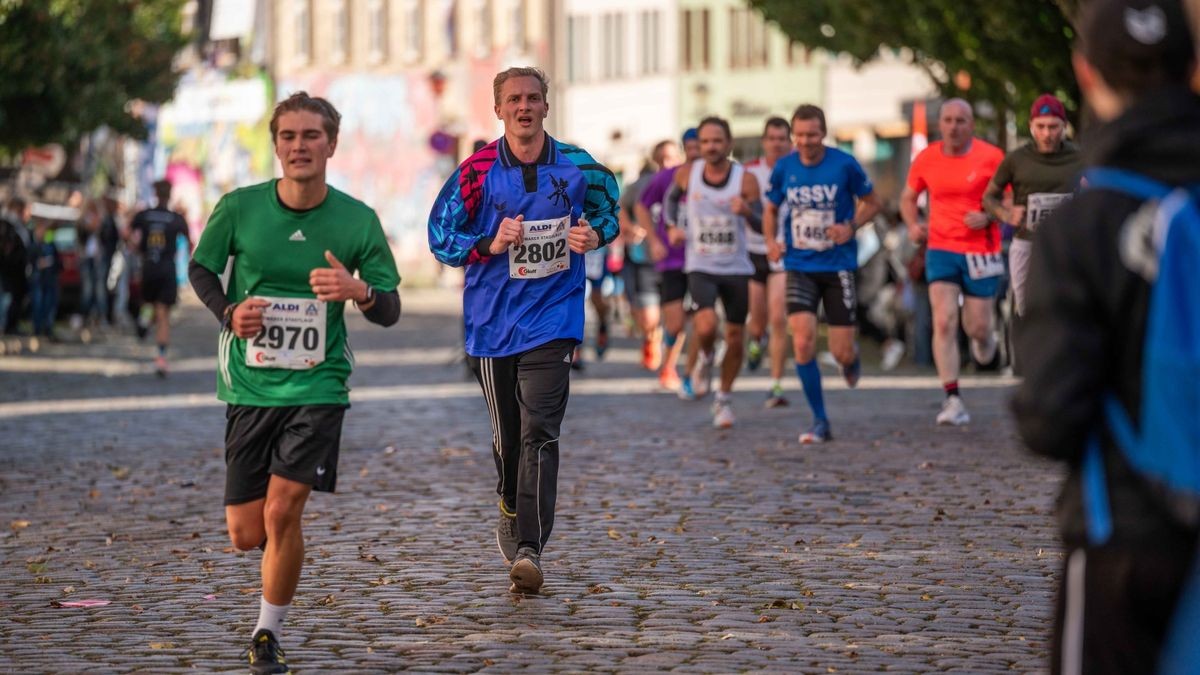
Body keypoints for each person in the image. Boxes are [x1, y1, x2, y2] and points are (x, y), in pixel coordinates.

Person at [1011, 0, 1200, 671]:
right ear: (1192, 70)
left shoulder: (1084, 224)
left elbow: (1050, 419)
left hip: (1123, 526)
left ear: (1085, 73)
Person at [189, 92, 402, 674]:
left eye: (311, 136)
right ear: (276, 144)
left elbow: (389, 308)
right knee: (244, 532)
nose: (299, 146)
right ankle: (276, 561)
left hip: (319, 386)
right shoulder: (239, 208)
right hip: (250, 386)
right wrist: (230, 312)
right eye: (288, 136)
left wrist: (358, 291)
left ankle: (266, 634)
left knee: (283, 514)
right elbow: (201, 269)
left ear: (331, 144)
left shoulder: (356, 220)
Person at [427, 67, 618, 594]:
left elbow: (610, 207)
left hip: (555, 316)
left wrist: (593, 233)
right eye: (514, 99)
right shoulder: (476, 170)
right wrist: (489, 241)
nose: (524, 107)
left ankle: (532, 549)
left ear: (546, 106)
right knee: (508, 436)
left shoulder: (579, 166)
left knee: (541, 430)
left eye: (533, 98)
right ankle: (509, 499)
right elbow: (441, 236)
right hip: (492, 323)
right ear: (499, 109)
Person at [763, 104, 882, 443]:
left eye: (811, 134)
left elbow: (873, 202)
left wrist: (852, 225)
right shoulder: (785, 167)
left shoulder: (844, 164)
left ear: (823, 133)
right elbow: (771, 208)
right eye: (798, 135)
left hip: (838, 266)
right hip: (799, 265)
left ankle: (851, 357)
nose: (805, 141)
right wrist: (772, 241)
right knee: (802, 342)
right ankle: (819, 420)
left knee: (841, 351)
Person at [900, 99, 1005, 426]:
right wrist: (913, 224)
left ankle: (987, 342)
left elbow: (1011, 200)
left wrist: (989, 215)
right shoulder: (927, 158)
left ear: (971, 124)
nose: (954, 126)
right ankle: (952, 398)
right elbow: (907, 197)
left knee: (978, 327)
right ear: (939, 124)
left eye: (961, 120)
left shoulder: (992, 157)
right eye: (947, 120)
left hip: (982, 250)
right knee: (943, 320)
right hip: (941, 247)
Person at [663, 116, 760, 429]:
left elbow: (762, 221)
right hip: (701, 264)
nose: (711, 147)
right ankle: (704, 358)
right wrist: (673, 226)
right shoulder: (687, 174)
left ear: (728, 144)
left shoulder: (744, 179)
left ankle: (724, 400)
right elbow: (670, 201)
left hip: (736, 267)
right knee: (705, 326)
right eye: (705, 142)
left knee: (734, 337)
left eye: (717, 141)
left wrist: (747, 211)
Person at [982, 94, 1084, 320]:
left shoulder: (1080, 157)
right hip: (1026, 244)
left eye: (1053, 127)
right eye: (1041, 127)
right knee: (1027, 313)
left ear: (1064, 126)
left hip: (1066, 244)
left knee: (1066, 311)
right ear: (1031, 127)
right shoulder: (1016, 159)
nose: (1047, 134)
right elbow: (988, 198)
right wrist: (1006, 213)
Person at [639, 128, 699, 392]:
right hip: (673, 259)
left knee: (702, 321)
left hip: (704, 261)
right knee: (675, 322)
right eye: (693, 146)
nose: (698, 151)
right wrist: (653, 239)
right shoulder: (668, 177)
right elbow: (642, 206)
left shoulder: (717, 176)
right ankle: (669, 365)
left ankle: (689, 372)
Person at [744, 117, 794, 408]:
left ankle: (775, 385)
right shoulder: (750, 171)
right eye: (772, 138)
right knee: (758, 318)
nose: (777, 143)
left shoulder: (797, 170)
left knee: (778, 319)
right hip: (752, 252)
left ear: (789, 142)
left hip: (784, 253)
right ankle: (755, 342)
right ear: (764, 141)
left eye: (782, 138)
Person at [619, 141, 678, 371]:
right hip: (645, 258)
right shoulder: (641, 185)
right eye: (662, 158)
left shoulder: (685, 182)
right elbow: (621, 206)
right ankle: (651, 339)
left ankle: (668, 362)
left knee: (675, 316)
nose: (666, 163)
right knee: (649, 317)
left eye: (671, 157)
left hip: (677, 261)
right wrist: (629, 228)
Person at [131, 181, 191, 376]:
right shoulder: (176, 219)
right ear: (170, 194)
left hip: (148, 266)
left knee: (147, 302)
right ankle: (161, 359)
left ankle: (143, 320)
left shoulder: (144, 215)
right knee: (163, 314)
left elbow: (128, 232)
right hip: (167, 269)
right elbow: (190, 243)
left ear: (155, 193)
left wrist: (137, 250)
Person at [27, 218, 60, 339]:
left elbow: (58, 262)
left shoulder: (50, 244)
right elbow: (29, 261)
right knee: (38, 304)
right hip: (38, 279)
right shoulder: (33, 246)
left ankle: (48, 328)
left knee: (49, 304)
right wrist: (37, 264)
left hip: (49, 279)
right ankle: (37, 328)